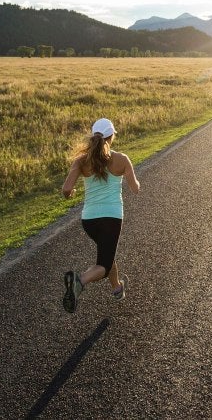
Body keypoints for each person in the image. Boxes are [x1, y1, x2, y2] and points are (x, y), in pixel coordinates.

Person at [61, 117, 140, 313]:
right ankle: (79, 281)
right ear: (112, 136)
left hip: (89, 220)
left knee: (107, 253)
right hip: (111, 218)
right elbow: (135, 188)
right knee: (103, 266)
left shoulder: (81, 161)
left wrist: (71, 193)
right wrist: (135, 184)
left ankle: (117, 288)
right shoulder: (122, 159)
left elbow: (66, 189)